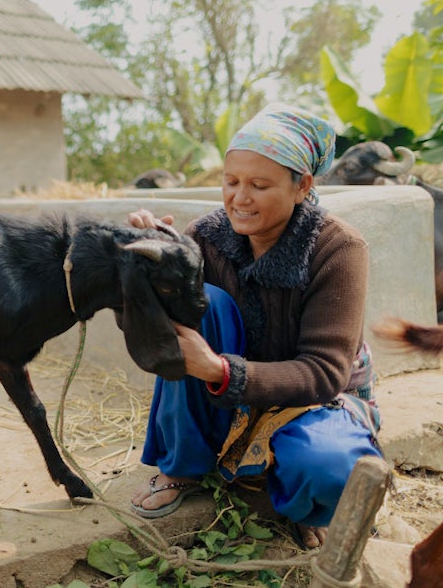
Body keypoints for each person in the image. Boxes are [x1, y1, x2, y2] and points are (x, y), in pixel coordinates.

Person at [127, 103, 383, 549]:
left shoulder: (338, 248)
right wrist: (155, 266)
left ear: (303, 186)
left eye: (259, 185)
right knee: (202, 305)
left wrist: (221, 373)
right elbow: (162, 331)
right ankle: (182, 465)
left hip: (316, 397)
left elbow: (325, 373)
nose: (239, 199)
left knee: (330, 472)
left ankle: (304, 497)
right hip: (228, 388)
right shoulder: (206, 235)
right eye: (231, 182)